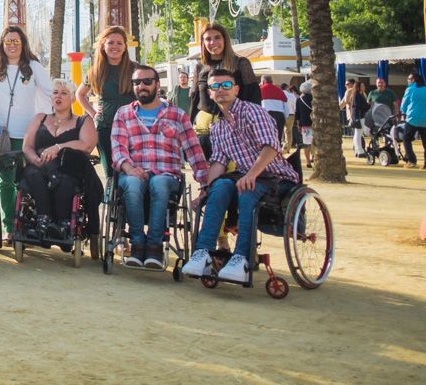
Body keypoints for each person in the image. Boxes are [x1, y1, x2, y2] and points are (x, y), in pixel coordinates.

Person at [182, 69, 300, 283]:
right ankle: (203, 253)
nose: (221, 90)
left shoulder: (252, 112)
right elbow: (218, 162)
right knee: (219, 188)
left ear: (236, 89)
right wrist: (205, 192)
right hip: (247, 177)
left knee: (246, 191)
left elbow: (271, 147)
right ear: (209, 93)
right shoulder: (218, 127)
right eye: (215, 87)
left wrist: (252, 174)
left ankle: (242, 258)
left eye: (226, 85)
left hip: (277, 178)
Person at [111, 65, 208, 269]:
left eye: (147, 81)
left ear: (157, 84)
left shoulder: (177, 115)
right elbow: (118, 149)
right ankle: (138, 245)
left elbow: (193, 150)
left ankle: (154, 246)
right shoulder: (123, 114)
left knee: (160, 183)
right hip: (133, 171)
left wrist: (204, 184)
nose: (142, 86)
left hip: (167, 174)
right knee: (133, 183)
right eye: (137, 83)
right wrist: (129, 169)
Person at [0, 25, 53, 235]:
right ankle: (10, 226)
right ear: (2, 44)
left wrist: (56, 114)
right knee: (5, 182)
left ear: (23, 44)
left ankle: (28, 222)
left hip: (27, 132)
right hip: (1, 134)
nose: (12, 45)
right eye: (8, 41)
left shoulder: (33, 67)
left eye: (16, 42)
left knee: (26, 179)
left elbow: (49, 92)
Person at [20, 80, 99, 237]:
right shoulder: (40, 118)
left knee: (65, 179)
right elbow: (27, 146)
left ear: (72, 98)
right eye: (55, 93)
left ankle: (63, 223)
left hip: (68, 168)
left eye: (64, 93)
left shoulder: (83, 120)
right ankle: (43, 220)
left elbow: (87, 145)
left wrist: (58, 147)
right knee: (33, 174)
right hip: (39, 166)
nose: (58, 96)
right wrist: (35, 159)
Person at [189, 22, 261, 156]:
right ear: (203, 42)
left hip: (236, 129)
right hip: (204, 131)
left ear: (225, 40)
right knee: (208, 172)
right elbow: (195, 99)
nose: (213, 42)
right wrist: (188, 131)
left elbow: (253, 97)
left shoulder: (241, 63)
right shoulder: (200, 67)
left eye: (217, 37)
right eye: (208, 39)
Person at [76, 25, 138, 180]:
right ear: (103, 46)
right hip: (105, 127)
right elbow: (80, 94)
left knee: (130, 170)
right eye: (111, 43)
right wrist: (93, 113)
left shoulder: (135, 69)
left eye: (119, 43)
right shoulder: (95, 70)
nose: (115, 46)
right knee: (111, 173)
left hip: (132, 127)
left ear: (125, 47)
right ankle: (112, 203)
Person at [400, 73, 426, 168]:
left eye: (409, 78)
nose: (407, 80)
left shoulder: (410, 89)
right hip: (425, 120)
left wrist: (403, 112)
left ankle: (412, 160)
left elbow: (404, 104)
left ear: (413, 80)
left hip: (412, 119)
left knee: (406, 139)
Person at [259, 74, 288, 146]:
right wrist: (285, 117)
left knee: (267, 139)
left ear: (263, 81)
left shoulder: (260, 90)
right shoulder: (280, 90)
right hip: (280, 116)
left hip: (267, 116)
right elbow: (286, 107)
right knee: (278, 139)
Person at [295, 81, 315, 167]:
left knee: (307, 143)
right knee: (316, 143)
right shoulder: (315, 99)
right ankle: (314, 158)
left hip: (306, 125)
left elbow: (298, 114)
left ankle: (308, 161)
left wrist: (299, 125)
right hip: (316, 124)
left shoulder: (299, 99)